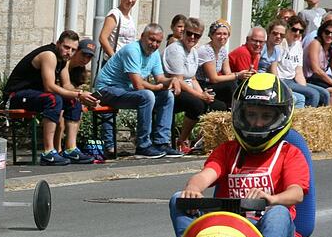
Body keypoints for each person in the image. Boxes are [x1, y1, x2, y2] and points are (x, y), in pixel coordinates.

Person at [169, 73, 309, 237]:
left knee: (278, 213)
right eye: (251, 115)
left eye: (266, 116)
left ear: (281, 116)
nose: (257, 123)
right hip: (228, 233)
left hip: (268, 233)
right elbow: (205, 175)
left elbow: (296, 193)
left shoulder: (289, 154)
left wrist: (272, 199)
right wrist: (193, 187)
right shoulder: (228, 151)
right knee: (179, 198)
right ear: (240, 114)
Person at [3, 30, 98, 165]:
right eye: (66, 47)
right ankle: (48, 152)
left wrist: (84, 95)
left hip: (35, 95)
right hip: (15, 96)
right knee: (53, 99)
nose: (69, 52)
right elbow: (49, 87)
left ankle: (71, 149)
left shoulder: (64, 60)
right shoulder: (49, 55)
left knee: (73, 101)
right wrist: (78, 94)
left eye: (73, 49)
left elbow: (67, 86)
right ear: (58, 44)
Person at [93, 24, 183, 159]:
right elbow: (138, 85)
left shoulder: (154, 54)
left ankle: (161, 143)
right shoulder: (132, 50)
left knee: (167, 96)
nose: (154, 44)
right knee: (147, 95)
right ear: (142, 37)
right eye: (151, 40)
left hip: (125, 90)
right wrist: (157, 87)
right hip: (106, 90)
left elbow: (159, 78)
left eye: (158, 42)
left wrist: (170, 81)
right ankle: (143, 145)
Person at [162, 17, 226, 154]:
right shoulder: (176, 50)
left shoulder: (193, 52)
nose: (192, 37)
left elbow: (193, 78)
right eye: (189, 33)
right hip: (172, 90)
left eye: (196, 36)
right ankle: (181, 140)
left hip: (188, 88)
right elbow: (178, 80)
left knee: (218, 105)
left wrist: (205, 95)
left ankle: (204, 141)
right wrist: (200, 96)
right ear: (183, 32)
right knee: (197, 104)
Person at [278, 15, 330, 107]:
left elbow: (298, 72)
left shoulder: (298, 45)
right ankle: (307, 120)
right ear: (288, 28)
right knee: (314, 94)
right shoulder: (281, 44)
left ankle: (320, 120)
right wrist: (305, 90)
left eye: (301, 31)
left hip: (293, 80)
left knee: (325, 93)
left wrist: (303, 87)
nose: (297, 33)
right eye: (294, 30)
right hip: (282, 80)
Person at [195, 19, 249, 109]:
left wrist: (244, 74)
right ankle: (240, 109)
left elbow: (228, 74)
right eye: (218, 33)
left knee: (236, 82)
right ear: (212, 35)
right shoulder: (206, 50)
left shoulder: (222, 50)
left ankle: (238, 108)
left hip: (212, 85)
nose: (222, 37)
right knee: (230, 84)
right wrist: (238, 75)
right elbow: (213, 79)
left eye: (225, 34)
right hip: (201, 85)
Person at [55, 37, 95, 153]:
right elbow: (63, 87)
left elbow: (73, 89)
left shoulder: (80, 70)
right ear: (76, 51)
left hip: (65, 98)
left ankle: (71, 147)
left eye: (89, 57)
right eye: (83, 54)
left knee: (77, 107)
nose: (86, 59)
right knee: (61, 113)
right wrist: (80, 95)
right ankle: (58, 149)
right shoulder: (65, 63)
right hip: (54, 96)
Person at [259, 20, 306, 108]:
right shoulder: (262, 48)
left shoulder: (276, 49)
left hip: (269, 83)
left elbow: (274, 74)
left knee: (300, 98)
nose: (278, 37)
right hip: (259, 83)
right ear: (268, 33)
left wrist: (281, 89)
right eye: (275, 33)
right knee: (296, 98)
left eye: (281, 35)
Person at [304, 19, 332, 105]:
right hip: (309, 79)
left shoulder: (331, 50)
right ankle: (330, 117)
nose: (330, 35)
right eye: (327, 32)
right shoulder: (315, 43)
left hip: (320, 79)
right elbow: (316, 69)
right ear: (322, 32)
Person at [98, 0, 139, 67]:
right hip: (113, 63)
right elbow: (103, 38)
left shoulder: (130, 18)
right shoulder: (115, 14)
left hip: (127, 63)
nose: (130, 0)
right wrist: (114, 58)